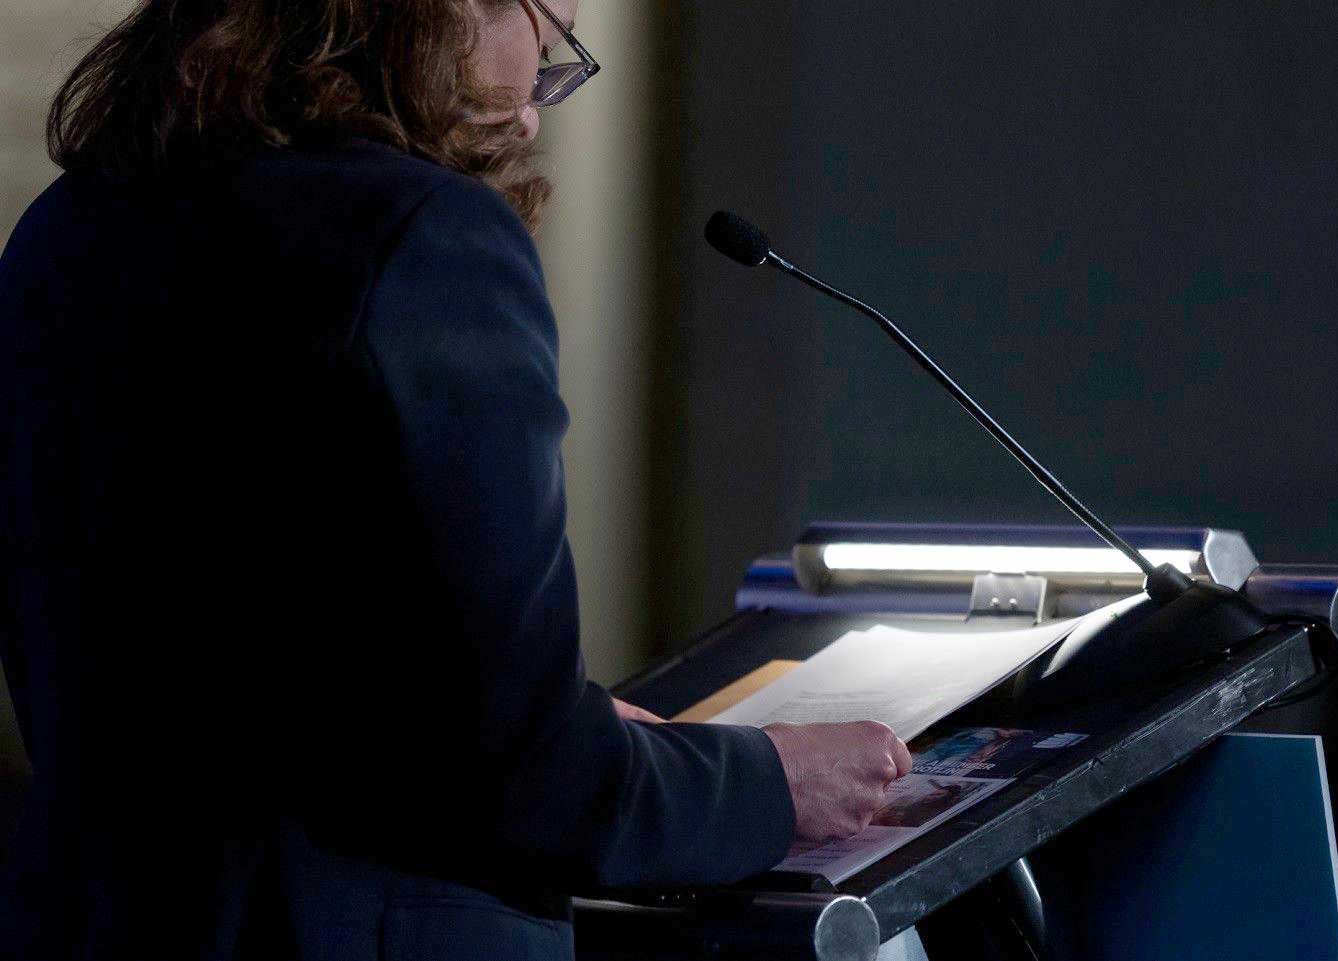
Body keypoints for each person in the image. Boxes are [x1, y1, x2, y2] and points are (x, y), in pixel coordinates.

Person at [0, 1, 912, 958]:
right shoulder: (426, 238)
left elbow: (275, 671)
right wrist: (772, 783)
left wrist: (576, 728)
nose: (531, 109)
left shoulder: (66, 229)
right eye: (550, 34)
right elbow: (536, 779)